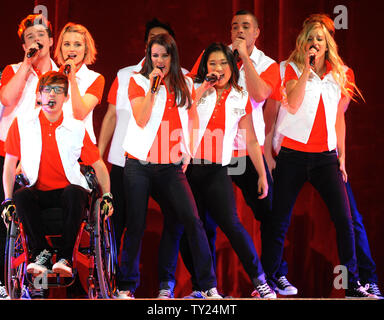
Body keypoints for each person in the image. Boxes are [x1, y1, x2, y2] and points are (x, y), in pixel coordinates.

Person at [260, 15, 378, 298]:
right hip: (292, 155)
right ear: (303, 42)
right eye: (310, 38)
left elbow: (339, 118)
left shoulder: (342, 74)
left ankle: (352, 284)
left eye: (320, 39)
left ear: (328, 44)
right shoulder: (287, 68)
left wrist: (342, 157)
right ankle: (269, 280)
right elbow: (295, 101)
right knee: (280, 220)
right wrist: (306, 71)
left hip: (326, 157)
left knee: (344, 219)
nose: (314, 43)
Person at [184, 9, 296, 297]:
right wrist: (213, 75)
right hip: (200, 159)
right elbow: (185, 100)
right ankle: (204, 286)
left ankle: (269, 277)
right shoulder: (213, 59)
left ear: (257, 32)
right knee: (198, 223)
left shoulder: (266, 65)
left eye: (246, 26)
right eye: (234, 26)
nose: (239, 30)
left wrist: (244, 58)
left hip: (241, 155)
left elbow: (260, 96)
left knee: (265, 212)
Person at [116, 33, 220, 299]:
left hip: (171, 165)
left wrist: (189, 152)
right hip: (139, 162)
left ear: (172, 57)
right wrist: (152, 87)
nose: (160, 60)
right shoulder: (137, 81)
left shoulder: (184, 83)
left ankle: (207, 285)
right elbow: (141, 118)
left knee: (192, 220)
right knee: (136, 224)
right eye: (155, 55)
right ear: (148, 57)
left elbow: (194, 117)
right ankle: (126, 287)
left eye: (164, 55)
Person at [98, 18, 188, 298]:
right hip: (126, 161)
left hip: (166, 162)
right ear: (147, 47)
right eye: (153, 43)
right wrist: (99, 155)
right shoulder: (127, 75)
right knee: (125, 223)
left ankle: (166, 283)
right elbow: (112, 115)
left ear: (171, 47)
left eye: (164, 44)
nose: (159, 52)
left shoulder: (183, 77)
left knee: (179, 217)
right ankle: (120, 285)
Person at [179, 42, 277, 299]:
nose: (218, 68)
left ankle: (260, 281)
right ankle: (203, 287)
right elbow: (180, 112)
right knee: (192, 228)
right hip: (188, 169)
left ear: (232, 67)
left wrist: (262, 175)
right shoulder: (194, 88)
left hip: (217, 171)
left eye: (223, 63)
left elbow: (252, 140)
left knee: (232, 225)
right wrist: (202, 88)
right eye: (212, 63)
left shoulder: (240, 96)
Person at [1, 71, 113, 279]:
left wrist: (107, 195)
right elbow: (9, 165)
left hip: (68, 193)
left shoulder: (77, 128)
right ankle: (40, 253)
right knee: (21, 196)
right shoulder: (22, 123)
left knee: (74, 192)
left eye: (58, 90)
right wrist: (7, 199)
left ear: (66, 97)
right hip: (39, 192)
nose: (52, 95)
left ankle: (65, 257)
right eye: (47, 90)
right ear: (39, 95)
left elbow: (98, 165)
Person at [0, 13, 58, 299]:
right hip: (8, 155)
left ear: (50, 40)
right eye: (29, 38)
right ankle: (3, 282)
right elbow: (8, 100)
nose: (36, 41)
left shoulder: (61, 77)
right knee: (6, 219)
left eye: (40, 36)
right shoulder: (13, 69)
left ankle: (37, 286)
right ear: (23, 45)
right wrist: (26, 65)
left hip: (44, 157)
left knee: (39, 222)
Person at [54, 22, 105, 144]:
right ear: (60, 48)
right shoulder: (51, 76)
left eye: (77, 44)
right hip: (54, 146)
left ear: (86, 49)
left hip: (81, 149)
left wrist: (72, 79)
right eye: (67, 44)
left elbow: (80, 113)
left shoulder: (95, 79)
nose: (71, 49)